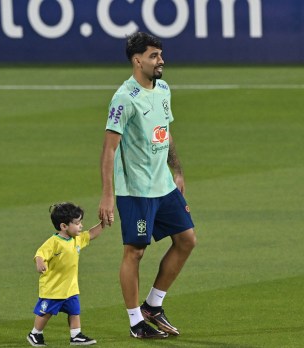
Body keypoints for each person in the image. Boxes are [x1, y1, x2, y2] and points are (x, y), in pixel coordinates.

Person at [98, 32, 197, 339]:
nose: (161, 61)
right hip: (136, 190)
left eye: (161, 55)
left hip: (163, 185)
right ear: (137, 60)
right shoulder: (124, 99)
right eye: (154, 56)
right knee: (135, 252)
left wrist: (177, 171)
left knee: (187, 240)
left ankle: (152, 305)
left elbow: (164, 132)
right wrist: (107, 196)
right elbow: (109, 150)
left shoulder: (164, 89)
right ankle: (135, 322)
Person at [27, 202, 111, 347]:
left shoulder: (76, 239)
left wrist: (103, 223)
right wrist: (39, 262)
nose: (81, 226)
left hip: (70, 288)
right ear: (63, 226)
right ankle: (35, 333)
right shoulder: (54, 242)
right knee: (45, 313)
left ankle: (76, 335)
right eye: (77, 223)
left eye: (81, 222)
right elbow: (40, 253)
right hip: (53, 288)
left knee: (74, 311)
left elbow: (91, 234)